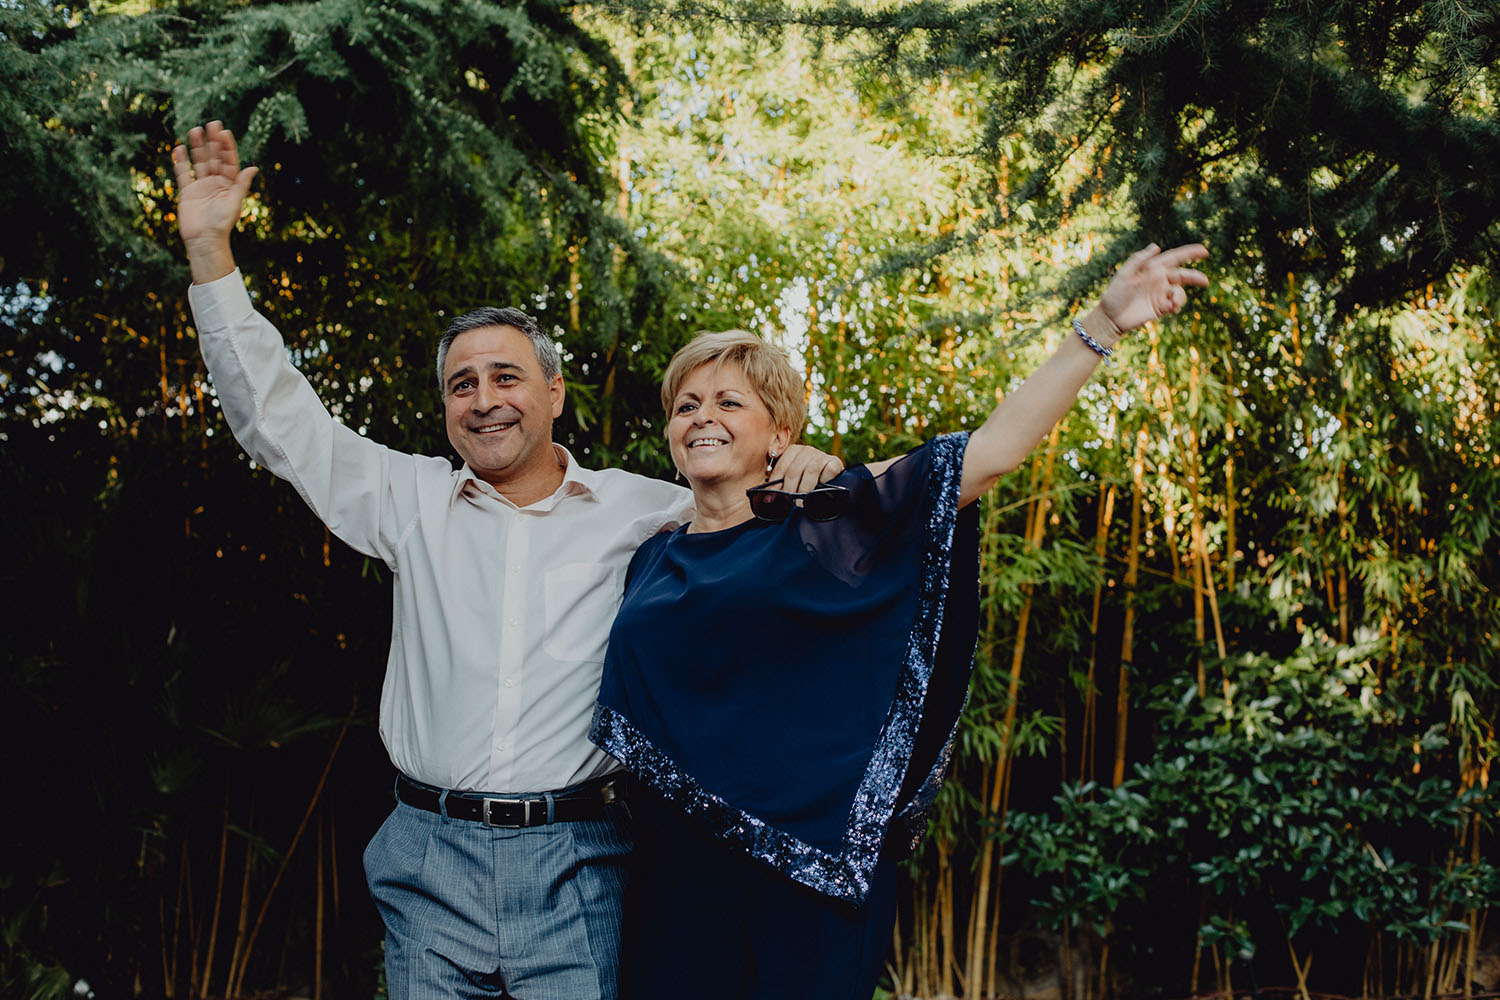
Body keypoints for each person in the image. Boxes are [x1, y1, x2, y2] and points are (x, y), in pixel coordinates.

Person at [169, 121, 842, 1000]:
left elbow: (756, 510)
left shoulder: (649, 510)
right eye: (463, 384)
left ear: (554, 393)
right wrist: (210, 253)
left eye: (507, 377)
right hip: (428, 856)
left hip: (579, 861)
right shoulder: (410, 502)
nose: (484, 399)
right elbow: (278, 420)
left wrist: (810, 467)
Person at [591, 243, 1208, 998]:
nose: (703, 418)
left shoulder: (826, 520)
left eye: (729, 403)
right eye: (686, 406)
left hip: (809, 870)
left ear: (780, 433)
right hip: (674, 875)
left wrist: (1102, 325)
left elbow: (989, 454)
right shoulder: (648, 556)